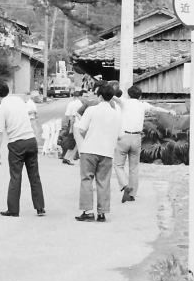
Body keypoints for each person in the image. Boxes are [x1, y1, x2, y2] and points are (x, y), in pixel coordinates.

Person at [0, 80, 46, 217]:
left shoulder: (0, 109)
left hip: (17, 144)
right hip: (31, 140)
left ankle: (13, 210)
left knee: (16, 177)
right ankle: (40, 208)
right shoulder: (18, 100)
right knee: (34, 176)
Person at [114, 85, 177, 203]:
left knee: (118, 165)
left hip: (124, 137)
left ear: (128, 94)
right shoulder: (143, 105)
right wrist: (169, 111)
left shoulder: (124, 102)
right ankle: (132, 194)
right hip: (137, 138)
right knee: (134, 167)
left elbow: (112, 97)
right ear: (140, 95)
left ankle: (124, 185)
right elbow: (156, 109)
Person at [75, 83, 121, 222]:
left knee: (86, 179)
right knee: (103, 182)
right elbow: (120, 135)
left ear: (99, 96)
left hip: (89, 150)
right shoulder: (116, 114)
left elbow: (81, 129)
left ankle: (88, 212)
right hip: (107, 152)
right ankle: (102, 213)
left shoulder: (91, 110)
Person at [59, 91, 83, 165]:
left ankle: (67, 158)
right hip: (77, 125)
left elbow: (67, 116)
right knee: (79, 143)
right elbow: (73, 117)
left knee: (73, 143)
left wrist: (67, 126)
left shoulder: (70, 103)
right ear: (79, 96)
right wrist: (71, 129)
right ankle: (83, 161)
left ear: (73, 97)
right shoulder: (79, 103)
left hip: (71, 124)